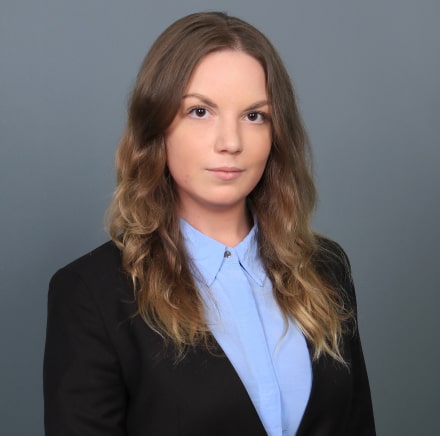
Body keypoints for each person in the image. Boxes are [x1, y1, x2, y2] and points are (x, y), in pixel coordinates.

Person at [43, 11, 376, 436]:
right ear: (156, 126)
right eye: (200, 111)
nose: (231, 142)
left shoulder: (326, 269)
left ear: (276, 134)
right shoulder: (91, 294)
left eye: (254, 116)